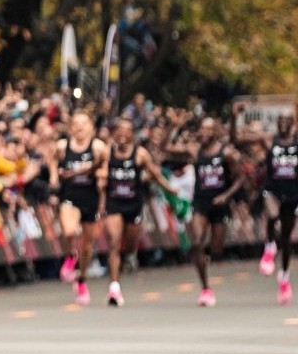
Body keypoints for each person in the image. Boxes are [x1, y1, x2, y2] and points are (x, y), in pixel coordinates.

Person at [170, 117, 245, 307]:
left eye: (208, 129)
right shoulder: (195, 150)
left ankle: (208, 260)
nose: (203, 133)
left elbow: (240, 178)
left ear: (216, 132)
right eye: (201, 129)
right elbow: (165, 148)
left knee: (217, 250)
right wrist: (173, 126)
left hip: (219, 204)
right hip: (200, 202)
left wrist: (226, 196)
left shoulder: (226, 153)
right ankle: (205, 288)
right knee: (196, 242)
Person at [103, 118, 175, 306]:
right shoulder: (106, 152)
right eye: (119, 130)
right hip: (113, 203)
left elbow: (156, 174)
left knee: (129, 245)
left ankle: (129, 256)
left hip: (133, 204)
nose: (123, 134)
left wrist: (169, 189)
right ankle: (114, 286)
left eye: (127, 131)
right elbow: (96, 168)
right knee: (113, 241)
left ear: (132, 134)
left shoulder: (140, 154)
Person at [49, 111, 109, 306]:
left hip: (90, 197)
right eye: (76, 123)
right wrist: (54, 177)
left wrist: (98, 176)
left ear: (91, 127)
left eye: (84, 123)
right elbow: (52, 159)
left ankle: (81, 281)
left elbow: (106, 170)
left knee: (87, 246)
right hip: (70, 196)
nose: (80, 127)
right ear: (71, 127)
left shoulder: (98, 147)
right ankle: (70, 257)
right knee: (69, 230)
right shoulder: (63, 146)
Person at [258, 113, 298, 304]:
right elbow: (236, 138)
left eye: (286, 120)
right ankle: (269, 247)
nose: (282, 123)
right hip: (272, 189)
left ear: (292, 123)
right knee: (272, 214)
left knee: (286, 237)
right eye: (279, 120)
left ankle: (284, 276)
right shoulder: (269, 141)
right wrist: (233, 119)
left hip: (292, 193)